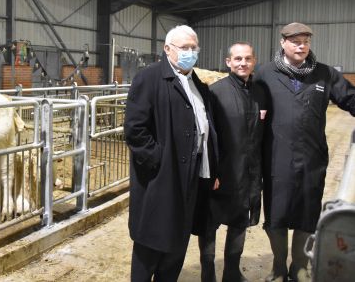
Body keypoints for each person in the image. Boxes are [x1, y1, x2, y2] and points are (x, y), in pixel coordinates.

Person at [254, 22, 355, 282]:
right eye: (296, 41)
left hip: (312, 159)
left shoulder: (325, 74)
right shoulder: (264, 73)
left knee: (307, 213)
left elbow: (350, 99)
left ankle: (298, 266)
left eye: (306, 41)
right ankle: (278, 267)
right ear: (283, 43)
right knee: (276, 215)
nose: (302, 45)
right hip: (276, 158)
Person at [124, 25, 217, 281]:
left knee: (177, 245)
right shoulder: (150, 78)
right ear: (167, 49)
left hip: (190, 178)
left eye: (193, 47)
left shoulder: (197, 83)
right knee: (151, 245)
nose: (190, 52)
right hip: (160, 179)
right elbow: (135, 129)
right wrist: (158, 161)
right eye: (184, 47)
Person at [197, 42, 266, 282]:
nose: (243, 63)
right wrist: (211, 171)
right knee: (209, 225)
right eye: (237, 59)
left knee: (239, 223)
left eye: (247, 58)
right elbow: (207, 136)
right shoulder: (215, 92)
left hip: (247, 173)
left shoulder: (260, 92)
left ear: (254, 61)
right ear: (228, 62)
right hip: (220, 173)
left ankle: (231, 273)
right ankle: (208, 274)